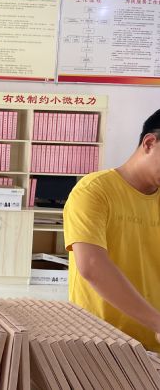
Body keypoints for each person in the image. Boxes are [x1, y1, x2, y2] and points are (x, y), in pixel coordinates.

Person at [64, 108, 160, 352]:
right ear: (150, 143)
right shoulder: (94, 191)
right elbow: (92, 265)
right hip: (100, 344)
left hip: (153, 345)